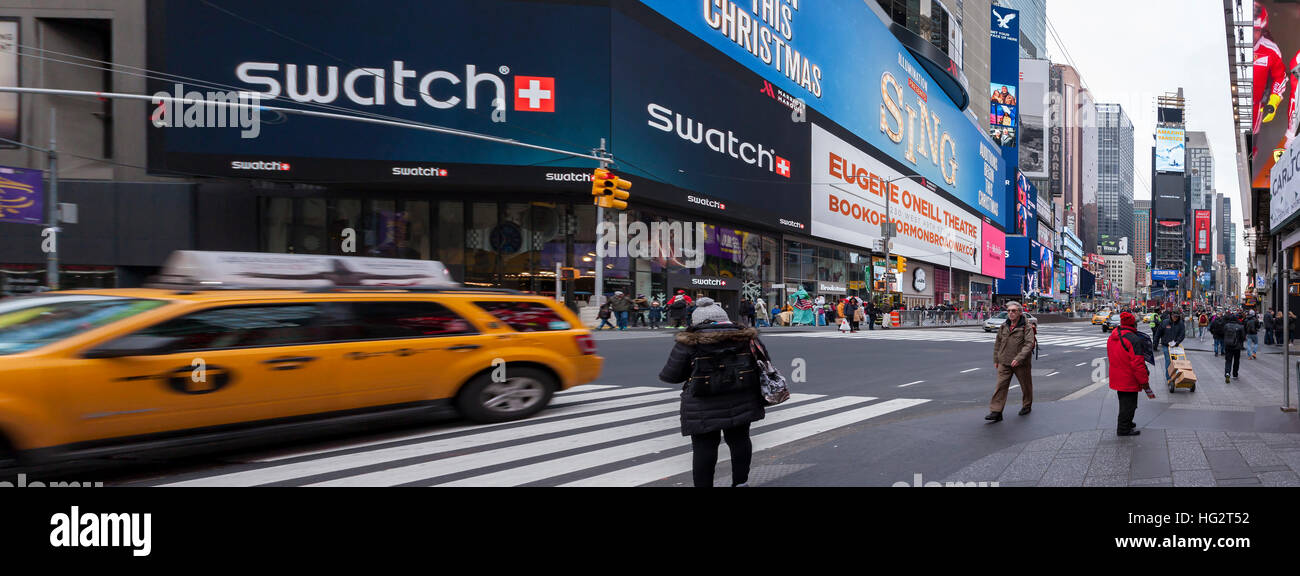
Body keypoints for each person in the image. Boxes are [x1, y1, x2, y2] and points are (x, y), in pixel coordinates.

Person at [658, 297, 766, 488]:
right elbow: (763, 364)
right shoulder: (747, 338)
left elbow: (671, 376)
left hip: (702, 402)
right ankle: (741, 483)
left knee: (704, 447)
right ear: (725, 318)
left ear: (697, 322)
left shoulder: (689, 342)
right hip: (741, 396)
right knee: (740, 441)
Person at [986, 301, 1036, 422]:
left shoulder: (1026, 326)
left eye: (1013, 311)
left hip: (1021, 363)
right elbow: (998, 343)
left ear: (1019, 312)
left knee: (1026, 386)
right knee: (1000, 386)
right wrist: (996, 359)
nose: (1010, 313)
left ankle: (1026, 405)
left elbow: (1029, 344)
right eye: (1009, 311)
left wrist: (1019, 358)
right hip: (1004, 361)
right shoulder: (1004, 326)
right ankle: (996, 411)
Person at [1108, 311, 1152, 437]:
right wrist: (1144, 381)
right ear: (1133, 324)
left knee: (1124, 402)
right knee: (1129, 405)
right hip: (1129, 377)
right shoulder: (1133, 339)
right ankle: (1123, 429)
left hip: (1117, 375)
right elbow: (1138, 363)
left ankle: (1127, 423)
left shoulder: (1113, 335)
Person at [1154, 309, 1185, 384]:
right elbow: (1158, 333)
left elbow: (1182, 334)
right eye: (1174, 316)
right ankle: (1169, 378)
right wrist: (1155, 342)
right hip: (1166, 345)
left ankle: (1176, 374)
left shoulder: (1180, 323)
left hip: (1175, 346)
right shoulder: (1165, 322)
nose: (1175, 318)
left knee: (1176, 361)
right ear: (1171, 315)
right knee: (1168, 360)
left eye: (1177, 317)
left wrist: (1177, 342)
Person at [1222, 312, 1246, 382]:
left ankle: (1227, 373)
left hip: (1228, 346)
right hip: (1237, 346)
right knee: (1236, 361)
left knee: (1228, 360)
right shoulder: (1240, 326)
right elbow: (1243, 337)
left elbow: (1223, 333)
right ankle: (1235, 374)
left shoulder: (1226, 326)